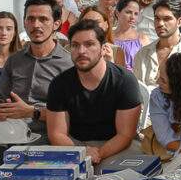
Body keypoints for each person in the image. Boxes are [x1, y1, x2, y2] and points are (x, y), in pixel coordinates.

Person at [46, 19, 143, 168]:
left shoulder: (124, 80)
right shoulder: (59, 84)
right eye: (75, 45)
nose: (81, 51)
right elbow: (57, 134)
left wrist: (97, 154)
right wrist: (82, 152)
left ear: (103, 48)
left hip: (117, 145)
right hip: (74, 144)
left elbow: (125, 135)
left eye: (89, 44)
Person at [0, 0, 74, 140]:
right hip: (11, 133)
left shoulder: (69, 64)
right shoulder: (14, 60)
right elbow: (1, 99)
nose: (36, 25)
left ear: (56, 24)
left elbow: (75, 113)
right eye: (31, 19)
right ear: (24, 22)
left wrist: (32, 112)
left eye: (43, 19)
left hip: (51, 136)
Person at [112, 0, 146, 71]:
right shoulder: (107, 37)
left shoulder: (142, 38)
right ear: (117, 13)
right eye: (128, 12)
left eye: (136, 14)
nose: (132, 17)